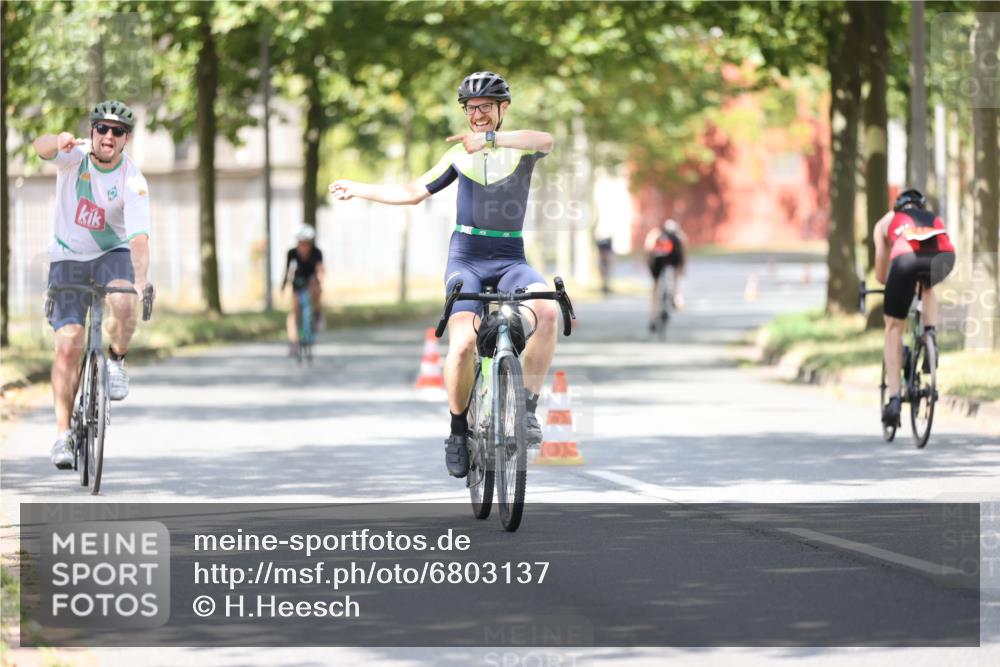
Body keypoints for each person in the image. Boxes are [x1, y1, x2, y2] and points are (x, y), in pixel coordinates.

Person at [329, 71, 557, 478]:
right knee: (463, 342)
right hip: (467, 257)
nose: (478, 115)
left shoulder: (517, 148)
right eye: (471, 109)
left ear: (503, 109)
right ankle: (457, 431)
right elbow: (411, 193)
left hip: (510, 257)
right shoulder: (458, 156)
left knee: (549, 311)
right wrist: (358, 188)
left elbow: (546, 140)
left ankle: (526, 410)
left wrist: (491, 140)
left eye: (486, 107)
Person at [32, 100, 152, 469]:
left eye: (117, 131)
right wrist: (57, 139)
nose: (108, 136)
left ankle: (115, 360)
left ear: (126, 139)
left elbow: (138, 239)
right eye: (102, 128)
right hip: (68, 255)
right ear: (92, 132)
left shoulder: (132, 180)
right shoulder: (74, 158)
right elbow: (39, 147)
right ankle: (62, 435)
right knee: (68, 344)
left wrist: (142, 282)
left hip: (110, 253)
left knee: (122, 298)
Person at [873, 188, 956, 427]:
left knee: (893, 327)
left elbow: (880, 276)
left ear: (897, 207)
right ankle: (930, 337)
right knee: (928, 287)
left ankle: (895, 399)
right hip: (945, 257)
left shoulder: (885, 223)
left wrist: (898, 286)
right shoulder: (932, 217)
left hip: (906, 259)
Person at [281, 225, 326, 355]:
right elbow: (288, 270)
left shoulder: (317, 252)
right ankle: (293, 342)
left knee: (314, 288)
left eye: (306, 243)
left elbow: (320, 269)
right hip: (298, 280)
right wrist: (284, 284)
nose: (303, 247)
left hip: (312, 280)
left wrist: (320, 283)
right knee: (294, 310)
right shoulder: (292, 253)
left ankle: (318, 314)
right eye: (301, 243)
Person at [643, 218, 687, 331]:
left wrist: (649, 265)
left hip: (658, 260)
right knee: (676, 276)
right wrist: (682, 268)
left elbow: (648, 248)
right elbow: (683, 251)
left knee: (655, 286)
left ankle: (653, 316)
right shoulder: (679, 236)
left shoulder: (656, 234)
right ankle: (676, 295)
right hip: (674, 259)